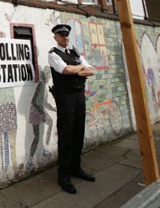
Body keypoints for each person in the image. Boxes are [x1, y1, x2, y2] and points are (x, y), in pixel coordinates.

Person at [48, 24, 96, 194]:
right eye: (61, 35)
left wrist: (79, 70)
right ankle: (64, 174)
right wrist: (79, 69)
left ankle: (76, 168)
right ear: (56, 37)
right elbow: (65, 69)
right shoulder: (53, 54)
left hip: (79, 96)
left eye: (67, 35)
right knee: (67, 134)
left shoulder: (75, 52)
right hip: (65, 97)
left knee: (78, 133)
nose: (65, 38)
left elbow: (91, 70)